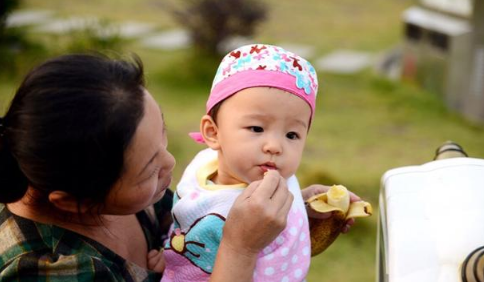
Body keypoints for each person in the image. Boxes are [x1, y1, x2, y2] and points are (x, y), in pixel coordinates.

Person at [0, 53, 304, 282]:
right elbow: (232, 247)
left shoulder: (128, 194)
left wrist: (288, 219)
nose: (170, 163)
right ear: (71, 201)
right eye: (148, 170)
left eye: (163, 134)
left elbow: (200, 237)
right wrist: (240, 250)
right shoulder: (46, 270)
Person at [157, 44, 359, 282]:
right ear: (213, 133)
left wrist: (302, 207)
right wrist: (170, 260)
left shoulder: (267, 193)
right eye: (256, 128)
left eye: (291, 135)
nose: (275, 146)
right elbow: (189, 224)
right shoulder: (204, 167)